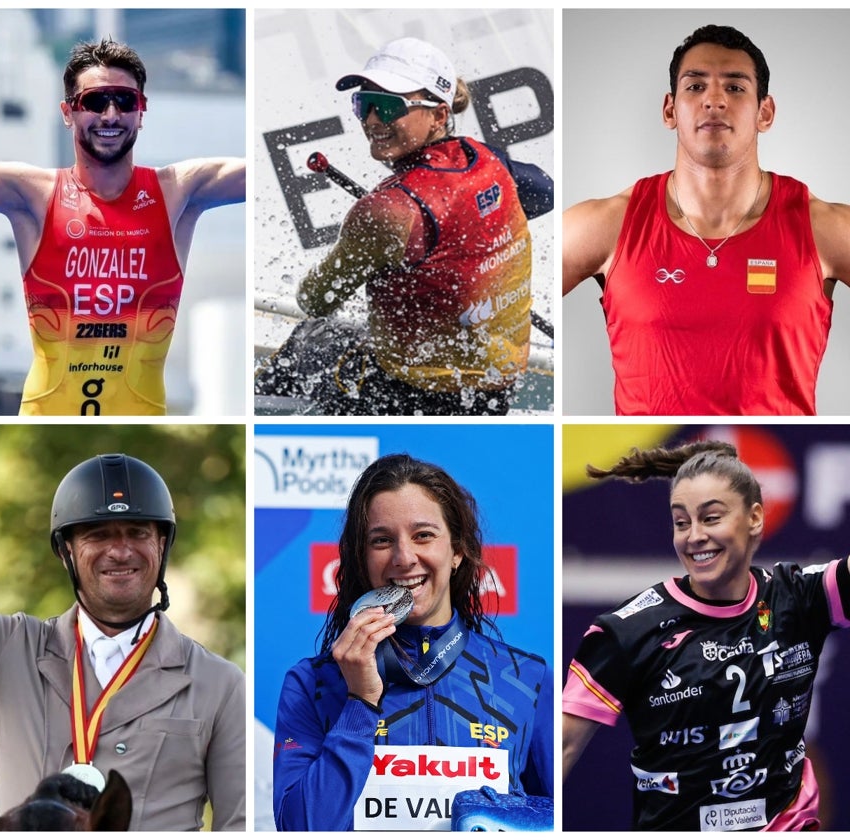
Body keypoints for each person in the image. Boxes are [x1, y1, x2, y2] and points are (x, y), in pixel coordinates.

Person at [562, 24, 850, 416]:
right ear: (670, 109)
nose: (714, 100)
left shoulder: (823, 228)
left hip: (770, 468)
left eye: (735, 87)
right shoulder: (607, 225)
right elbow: (507, 281)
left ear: (764, 112)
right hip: (653, 472)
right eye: (696, 87)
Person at [0, 38, 246, 416]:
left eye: (124, 101)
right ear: (68, 112)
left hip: (141, 429)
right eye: (94, 101)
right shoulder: (34, 195)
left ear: (141, 111)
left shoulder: (178, 192)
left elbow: (262, 168)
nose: (110, 115)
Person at [0, 453, 246, 830]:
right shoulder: (3, 648)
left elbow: (240, 827)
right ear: (65, 550)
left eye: (137, 533)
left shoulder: (219, 682)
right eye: (98, 534)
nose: (120, 551)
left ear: (162, 545)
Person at [562, 441, 849, 830]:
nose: (693, 536)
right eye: (681, 522)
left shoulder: (800, 596)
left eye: (711, 518)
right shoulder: (626, 631)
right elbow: (560, 749)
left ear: (755, 518)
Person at [273, 454, 552, 830]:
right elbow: (300, 829)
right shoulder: (313, 683)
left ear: (456, 551)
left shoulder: (527, 679)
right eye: (382, 540)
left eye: (423, 535)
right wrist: (359, 702)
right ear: (361, 558)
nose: (404, 558)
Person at [279, 38, 552, 416]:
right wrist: (472, 234)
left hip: (404, 398)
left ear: (439, 115)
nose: (373, 120)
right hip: (495, 395)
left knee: (307, 339)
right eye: (365, 104)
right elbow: (546, 192)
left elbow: (316, 300)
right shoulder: (487, 159)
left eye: (390, 106)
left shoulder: (387, 210)